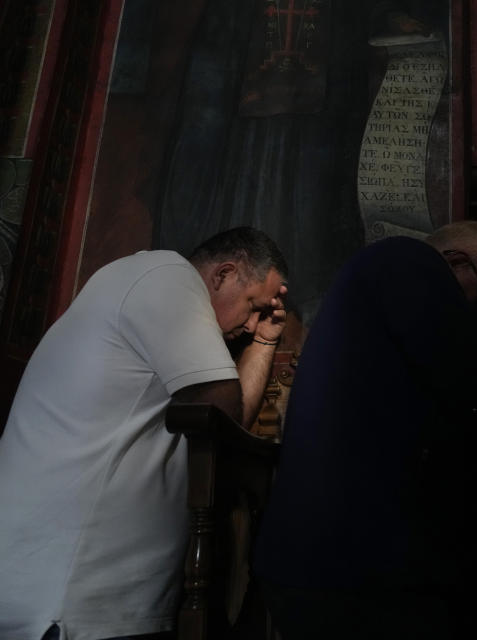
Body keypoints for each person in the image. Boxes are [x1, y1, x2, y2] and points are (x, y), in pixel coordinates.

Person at [0, 227, 289, 640]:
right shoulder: (166, 276)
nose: (251, 324)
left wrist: (263, 340)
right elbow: (224, 416)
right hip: (67, 604)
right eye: (253, 306)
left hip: (92, 605)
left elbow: (222, 423)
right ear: (224, 274)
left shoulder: (155, 295)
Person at [253, 220, 477, 640]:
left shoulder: (376, 281)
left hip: (330, 564)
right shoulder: (407, 260)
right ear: (457, 262)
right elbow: (475, 369)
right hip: (348, 571)